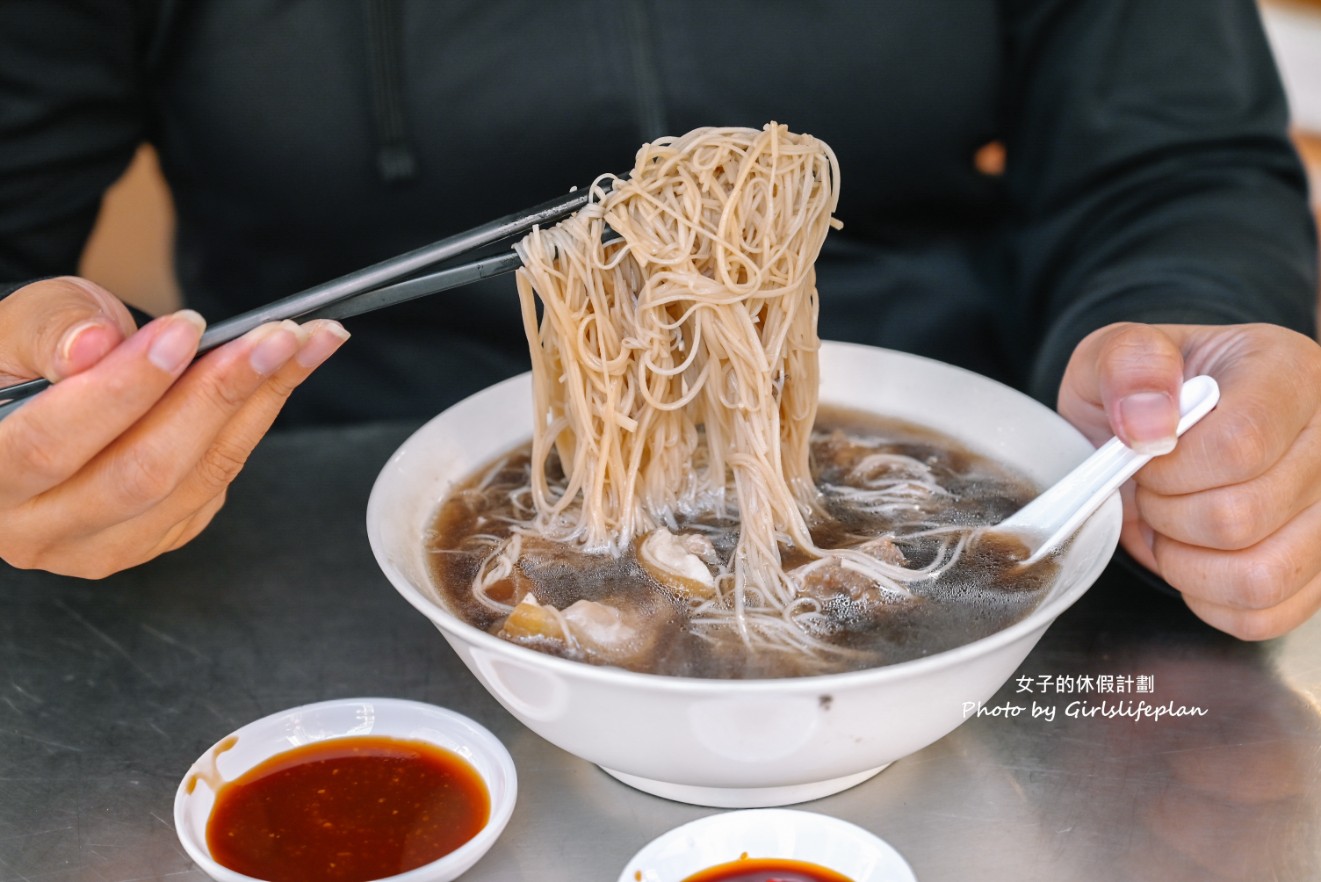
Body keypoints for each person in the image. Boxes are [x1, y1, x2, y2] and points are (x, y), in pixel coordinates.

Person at [1, 1, 1317, 641]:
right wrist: (38, 404)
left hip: (978, 539)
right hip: (306, 555)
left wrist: (1190, 331)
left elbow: (1172, 162)